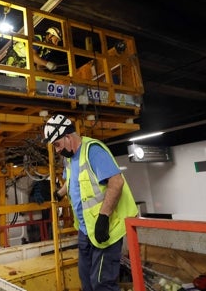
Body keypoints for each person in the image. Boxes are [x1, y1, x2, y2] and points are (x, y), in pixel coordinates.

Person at [46, 114, 138, 291]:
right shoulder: (70, 158)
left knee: (101, 283)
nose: (56, 150)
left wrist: (103, 218)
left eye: (56, 144)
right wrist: (59, 193)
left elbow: (116, 182)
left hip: (105, 228)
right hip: (85, 229)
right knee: (86, 280)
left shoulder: (93, 151)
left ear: (67, 137)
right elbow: (71, 180)